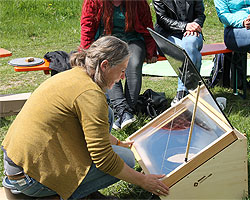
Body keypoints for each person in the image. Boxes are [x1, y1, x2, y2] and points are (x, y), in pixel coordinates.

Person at [1, 36, 169, 200]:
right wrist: (144, 181)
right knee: (126, 159)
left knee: (108, 115)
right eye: (122, 70)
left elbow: (88, 129)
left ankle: (76, 190)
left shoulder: (75, 74)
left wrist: (118, 143)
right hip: (28, 177)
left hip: (16, 162)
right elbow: (104, 160)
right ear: (105, 66)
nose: (123, 77)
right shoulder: (90, 95)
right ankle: (62, 195)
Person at [80, 0, 157, 130]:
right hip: (108, 41)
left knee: (134, 64)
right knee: (109, 65)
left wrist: (151, 50)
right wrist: (86, 51)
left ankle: (125, 112)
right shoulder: (93, 2)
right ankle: (123, 111)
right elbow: (87, 26)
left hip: (133, 40)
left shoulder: (139, 2)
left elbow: (147, 25)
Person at [153, 0, 206, 106]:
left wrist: (194, 26)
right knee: (189, 53)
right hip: (167, 34)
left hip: (192, 32)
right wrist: (185, 26)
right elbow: (162, 19)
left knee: (190, 45)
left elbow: (200, 15)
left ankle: (181, 92)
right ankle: (194, 90)